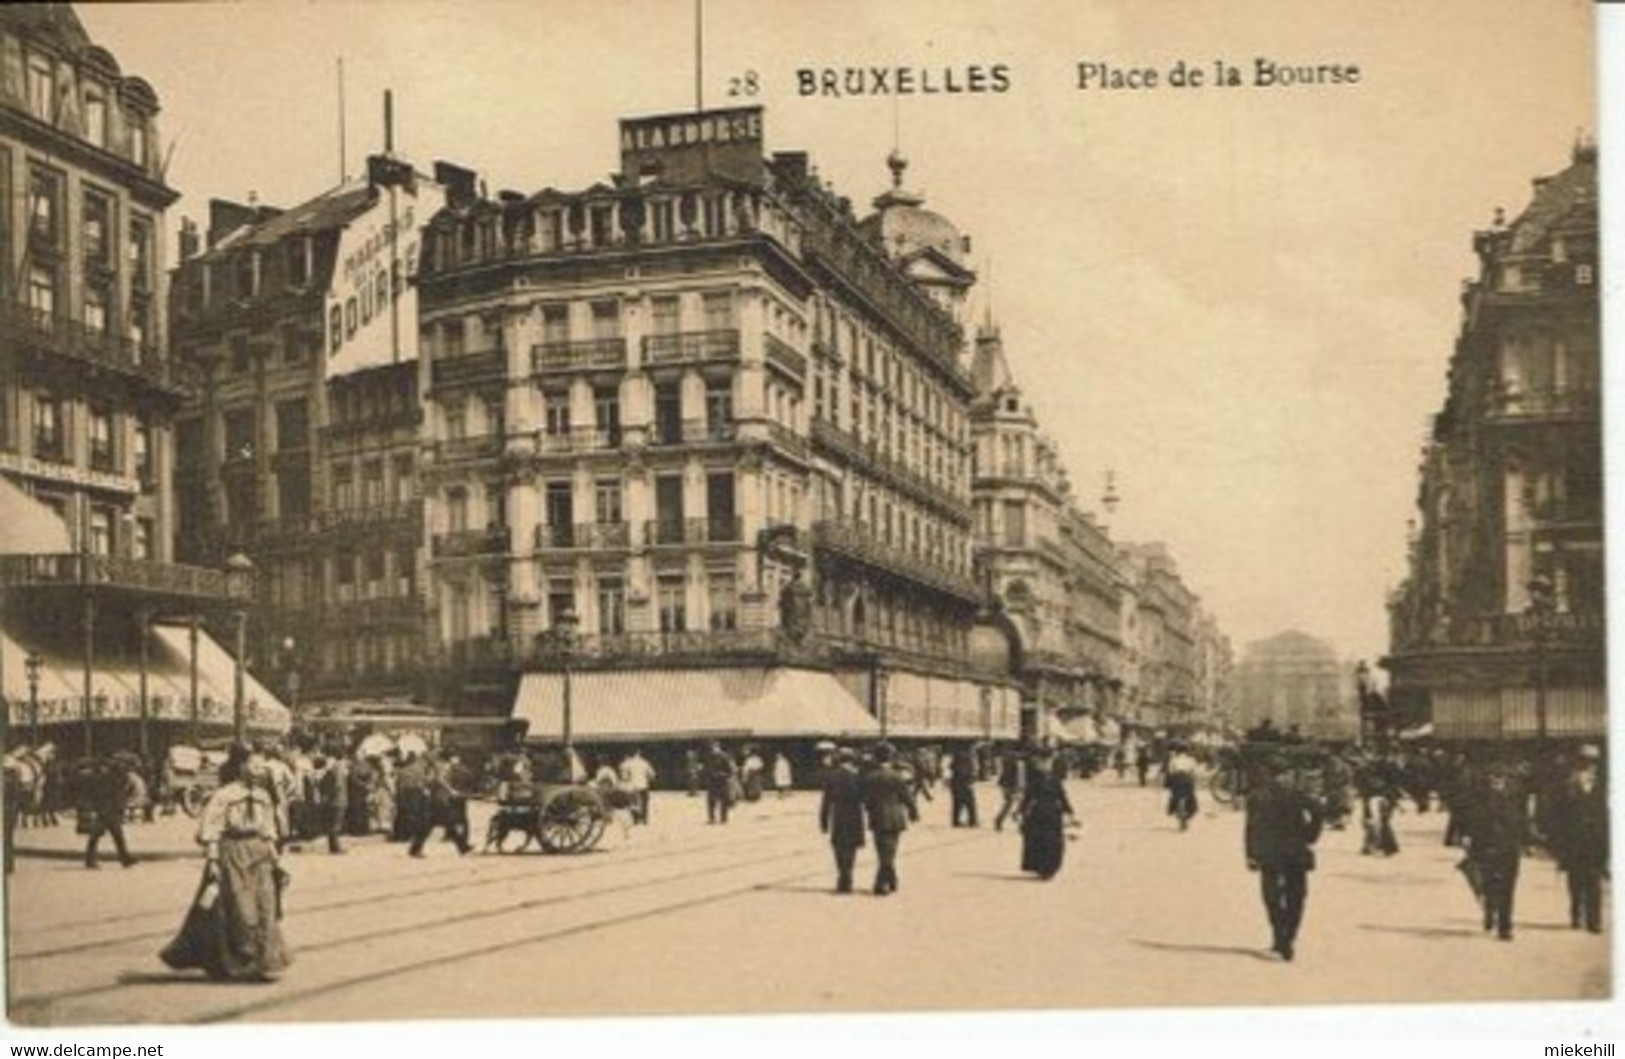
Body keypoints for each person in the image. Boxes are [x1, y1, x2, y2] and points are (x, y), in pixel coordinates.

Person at [190, 743, 290, 981]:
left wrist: (275, 858)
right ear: (241, 766)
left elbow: (268, 829)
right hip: (232, 852)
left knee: (265, 907)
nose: (259, 770)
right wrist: (213, 859)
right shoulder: (224, 795)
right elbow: (211, 828)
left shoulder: (264, 796)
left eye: (262, 766)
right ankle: (239, 960)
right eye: (254, 765)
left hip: (259, 854)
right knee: (240, 909)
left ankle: (263, 962)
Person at [1244, 757, 1324, 962]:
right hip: (1295, 852)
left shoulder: (1257, 796)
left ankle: (1280, 939)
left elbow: (1251, 828)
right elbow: (1318, 811)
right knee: (1296, 898)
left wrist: (1251, 854)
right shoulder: (1296, 794)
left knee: (1272, 898)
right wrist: (1310, 835)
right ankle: (1287, 940)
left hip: (1270, 853)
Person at [1461, 764, 1528, 941]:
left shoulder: (1516, 795)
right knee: (1489, 884)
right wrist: (1467, 835)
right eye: (1493, 778)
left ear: (1506, 780)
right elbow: (1468, 816)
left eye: (1500, 778)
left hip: (1509, 845)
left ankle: (1505, 926)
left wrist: (1525, 841)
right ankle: (1490, 912)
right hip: (1485, 845)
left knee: (1508, 886)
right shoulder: (1478, 796)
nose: (1496, 781)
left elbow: (1523, 818)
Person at [1548, 746, 1608, 934]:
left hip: (1596, 839)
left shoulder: (1605, 785)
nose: (1588, 765)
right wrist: (1558, 842)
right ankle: (1576, 912)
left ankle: (1594, 920)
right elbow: (1558, 814)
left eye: (1592, 761)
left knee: (1594, 880)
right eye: (1584, 761)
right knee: (1575, 879)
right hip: (1573, 838)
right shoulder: (1568, 784)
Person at [861, 742, 917, 896]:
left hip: (877, 817)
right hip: (895, 817)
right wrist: (913, 812)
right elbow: (907, 797)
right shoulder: (896, 776)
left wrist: (869, 809)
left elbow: (865, 799)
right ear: (891, 757)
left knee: (883, 851)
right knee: (890, 851)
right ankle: (883, 883)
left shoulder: (870, 777)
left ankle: (890, 880)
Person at [1019, 749, 1077, 879]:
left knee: (1054, 842)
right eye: (1042, 762)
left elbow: (1062, 796)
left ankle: (1051, 867)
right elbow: (1027, 797)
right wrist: (1021, 811)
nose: (1044, 765)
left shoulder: (1055, 779)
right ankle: (1042, 867)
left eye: (1047, 762)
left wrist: (1070, 811)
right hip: (1038, 813)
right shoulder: (1034, 779)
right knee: (1039, 841)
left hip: (1053, 814)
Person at [75, 754, 136, 870]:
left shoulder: (107, 776)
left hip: (107, 809)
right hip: (106, 810)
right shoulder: (107, 777)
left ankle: (124, 858)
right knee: (101, 835)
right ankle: (92, 860)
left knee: (112, 835)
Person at [818, 747, 866, 893]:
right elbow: (865, 797)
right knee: (851, 848)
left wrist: (824, 821)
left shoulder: (832, 776)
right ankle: (848, 875)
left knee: (839, 847)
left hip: (838, 815)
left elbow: (826, 801)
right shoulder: (858, 776)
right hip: (855, 815)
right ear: (851, 760)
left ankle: (842, 876)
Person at [410, 754, 473, 857]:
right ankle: (462, 847)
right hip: (439, 801)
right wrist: (451, 790)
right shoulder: (443, 767)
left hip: (438, 800)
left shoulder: (437, 767)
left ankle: (462, 847)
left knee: (440, 825)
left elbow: (431, 781)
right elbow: (440, 780)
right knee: (445, 824)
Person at [1165, 742, 1200, 830]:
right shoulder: (1191, 760)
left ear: (1177, 751)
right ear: (1187, 751)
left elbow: (1170, 772)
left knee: (1174, 797)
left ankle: (1173, 810)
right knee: (1191, 798)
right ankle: (1187, 816)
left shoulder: (1173, 760)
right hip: (1187, 779)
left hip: (1177, 779)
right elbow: (1195, 773)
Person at [618, 749, 657, 825]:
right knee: (645, 803)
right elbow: (652, 775)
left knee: (633, 803)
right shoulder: (645, 763)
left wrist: (627, 779)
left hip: (633, 786)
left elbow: (625, 776)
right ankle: (644, 819)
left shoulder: (629, 763)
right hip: (643, 785)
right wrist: (648, 779)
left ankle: (635, 820)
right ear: (640, 754)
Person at [993, 746, 1025, 832]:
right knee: (1012, 803)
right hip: (1012, 785)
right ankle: (1001, 819)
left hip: (1009, 785)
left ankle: (1011, 817)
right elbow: (1018, 776)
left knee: (1013, 803)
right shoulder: (1015, 762)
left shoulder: (1008, 760)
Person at [704, 742, 736, 825]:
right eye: (712, 748)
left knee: (724, 801)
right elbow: (706, 769)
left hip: (722, 782)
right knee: (711, 801)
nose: (714, 749)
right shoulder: (709, 757)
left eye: (715, 748)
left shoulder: (724, 757)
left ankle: (723, 818)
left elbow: (731, 771)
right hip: (712, 782)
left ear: (719, 748)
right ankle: (712, 818)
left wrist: (722, 775)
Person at [948, 745, 978, 827]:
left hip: (955, 782)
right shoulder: (969, 758)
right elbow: (971, 771)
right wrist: (972, 779)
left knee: (957, 802)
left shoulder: (957, 756)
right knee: (970, 802)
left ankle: (955, 821)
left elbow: (951, 767)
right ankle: (973, 821)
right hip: (965, 782)